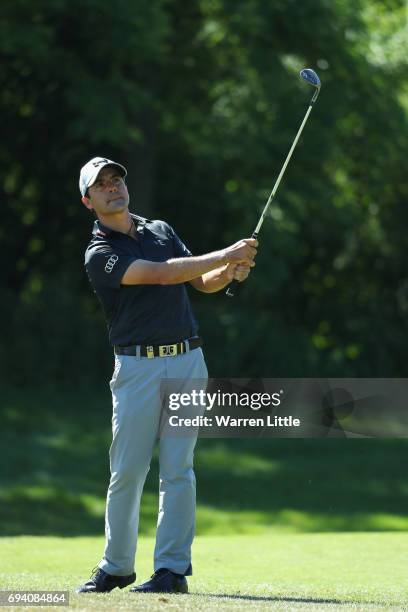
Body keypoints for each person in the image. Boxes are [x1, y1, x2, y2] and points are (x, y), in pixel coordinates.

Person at [76, 157, 257, 594]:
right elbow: (158, 276)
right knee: (128, 471)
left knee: (179, 470)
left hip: (187, 361)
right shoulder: (100, 252)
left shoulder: (159, 230)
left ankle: (171, 571)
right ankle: (117, 566)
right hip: (137, 366)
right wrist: (224, 254)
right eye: (101, 185)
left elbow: (199, 281)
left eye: (116, 179)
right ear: (88, 201)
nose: (112, 187)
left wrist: (228, 271)